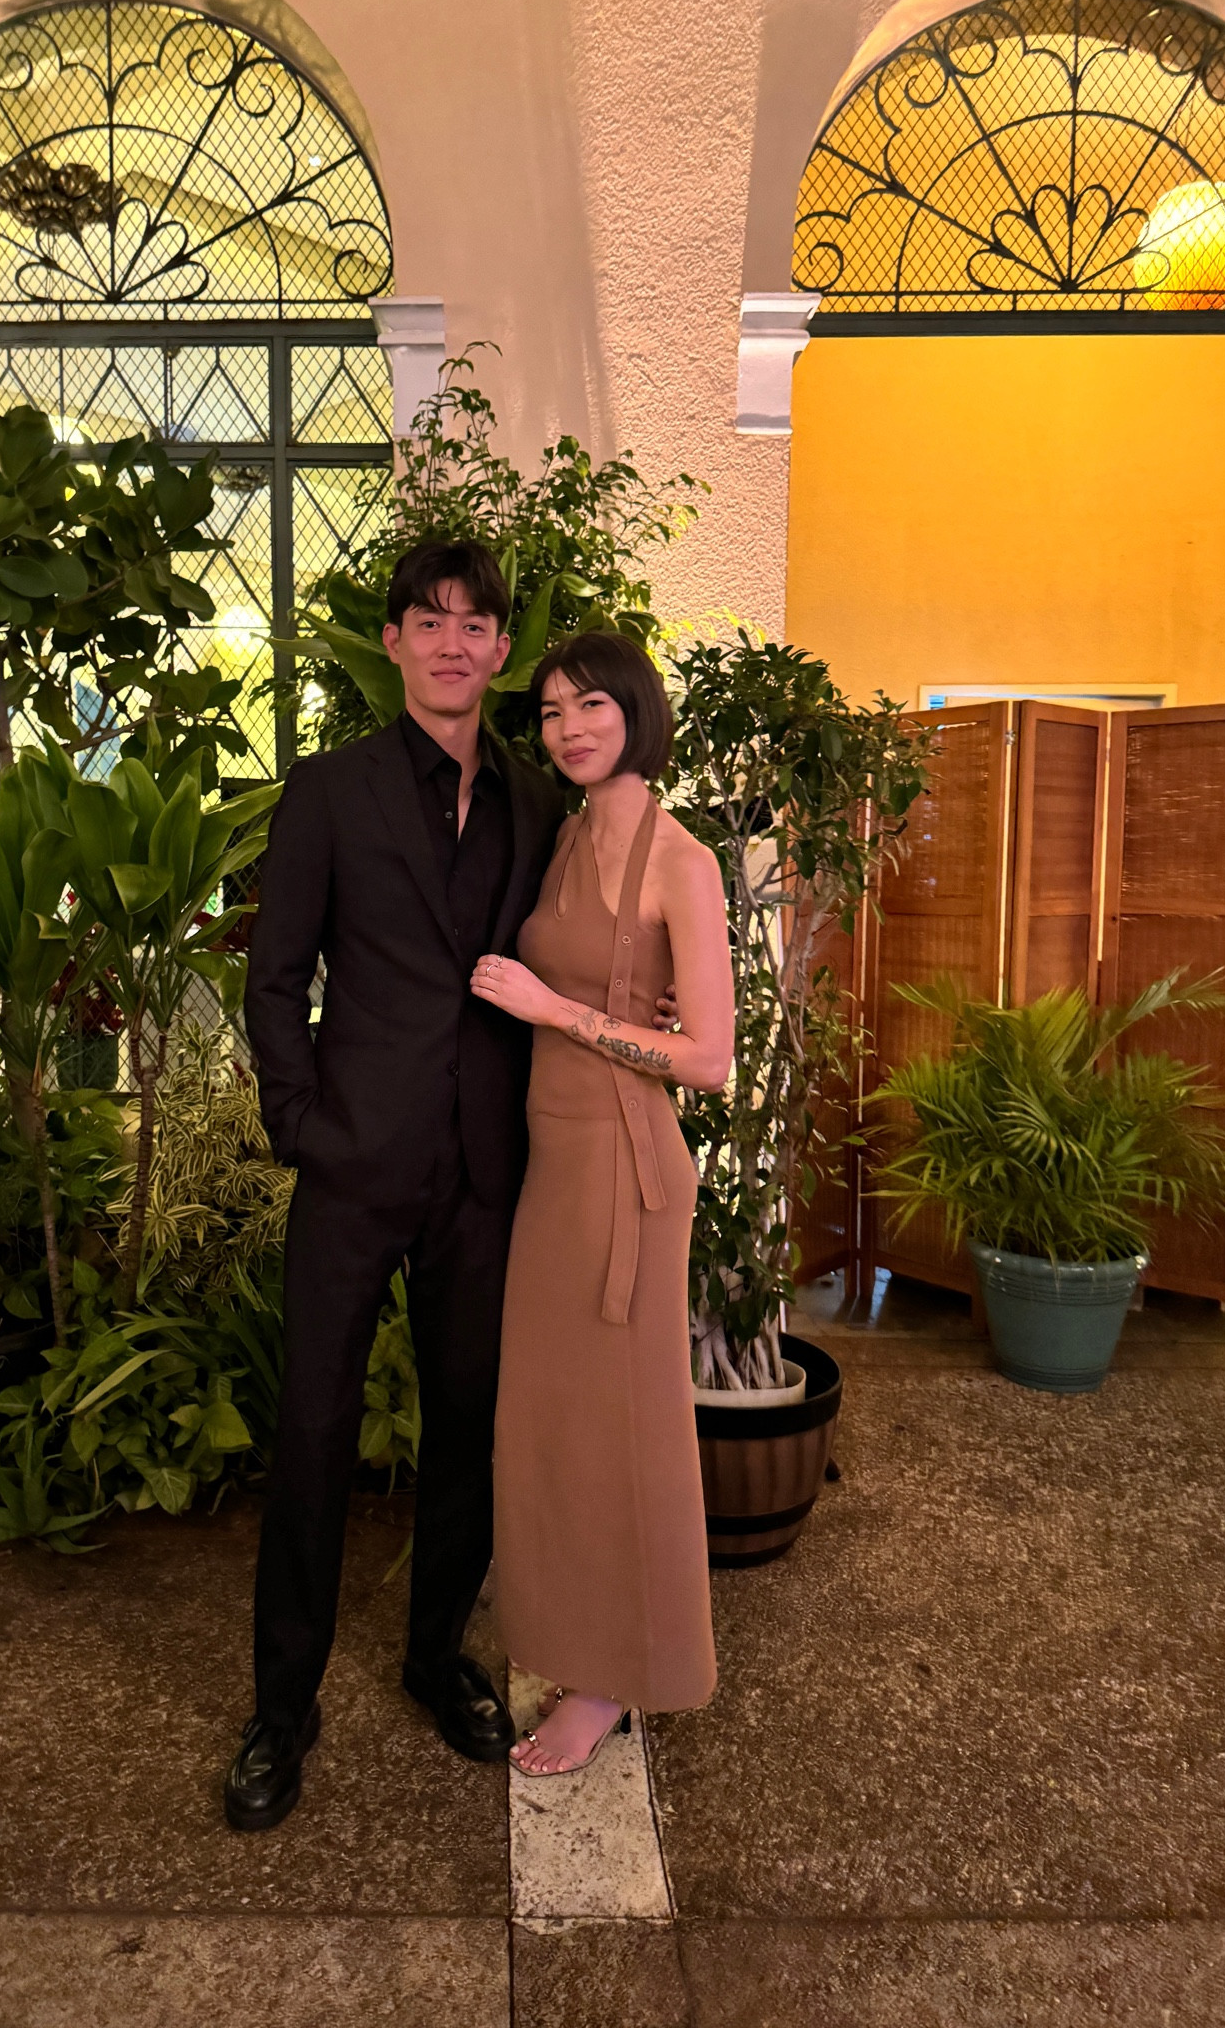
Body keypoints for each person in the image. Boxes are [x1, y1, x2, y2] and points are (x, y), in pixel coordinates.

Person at [228, 542, 676, 1831]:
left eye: (475, 625)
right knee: (313, 1428)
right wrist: (302, 1122)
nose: (451, 642)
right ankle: (282, 1705)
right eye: (428, 621)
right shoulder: (330, 790)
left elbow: (586, 947)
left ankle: (437, 1657)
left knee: (471, 1428)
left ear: (500, 651)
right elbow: (275, 976)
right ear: (393, 642)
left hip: (490, 1169)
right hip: (353, 1164)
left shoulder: (542, 803)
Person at [470, 630, 735, 1774]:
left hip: (625, 1174)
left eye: (591, 705)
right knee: (557, 1428)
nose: (569, 727)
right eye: (550, 711)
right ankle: (578, 1644)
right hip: (553, 1166)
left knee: (627, 1432)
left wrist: (554, 1009)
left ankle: (619, 1677)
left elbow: (709, 1057)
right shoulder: (568, 833)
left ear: (637, 711)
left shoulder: (683, 860)